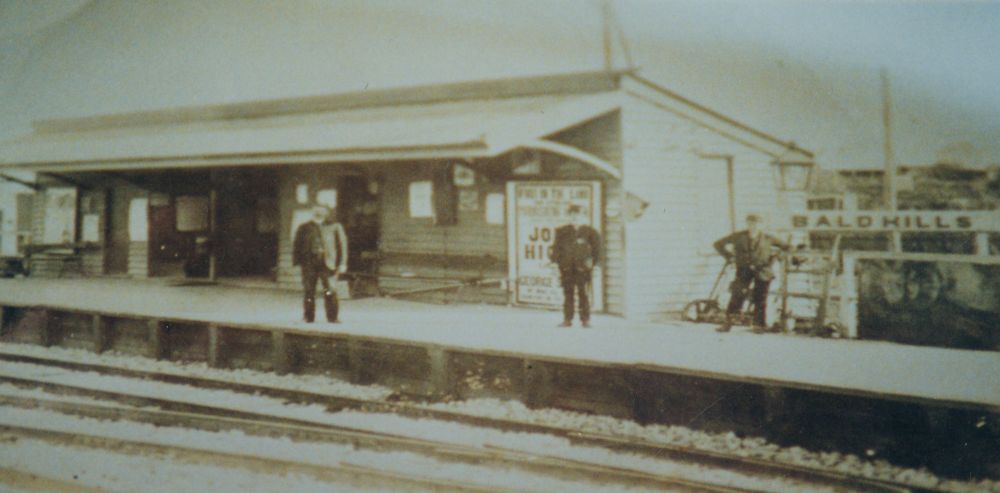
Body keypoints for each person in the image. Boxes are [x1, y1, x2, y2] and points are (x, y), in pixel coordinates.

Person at [713, 214, 789, 333]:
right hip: (743, 270)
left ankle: (759, 325)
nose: (753, 226)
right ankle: (728, 323)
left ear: (761, 225)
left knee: (760, 297)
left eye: (756, 223)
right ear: (747, 224)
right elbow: (718, 244)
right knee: (737, 295)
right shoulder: (738, 236)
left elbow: (787, 247)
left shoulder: (768, 238)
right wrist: (729, 257)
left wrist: (776, 257)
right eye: (751, 223)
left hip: (763, 270)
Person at [292, 205, 348, 323]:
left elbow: (342, 246)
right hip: (309, 264)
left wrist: (342, 263)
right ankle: (308, 317)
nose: (318, 213)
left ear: (326, 213)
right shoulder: (304, 228)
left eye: (321, 211)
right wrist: (297, 263)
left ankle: (333, 318)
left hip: (328, 264)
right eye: (316, 210)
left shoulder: (334, 226)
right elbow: (297, 245)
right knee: (309, 291)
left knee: (330, 291)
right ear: (312, 212)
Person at [550, 204, 602, 328]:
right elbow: (556, 248)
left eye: (577, 215)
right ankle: (567, 319)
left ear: (583, 216)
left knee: (583, 294)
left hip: (583, 268)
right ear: (568, 216)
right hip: (566, 268)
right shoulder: (562, 231)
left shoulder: (591, 232)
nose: (575, 218)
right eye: (572, 215)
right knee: (568, 293)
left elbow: (598, 250)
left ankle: (585, 320)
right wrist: (554, 263)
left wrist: (597, 265)